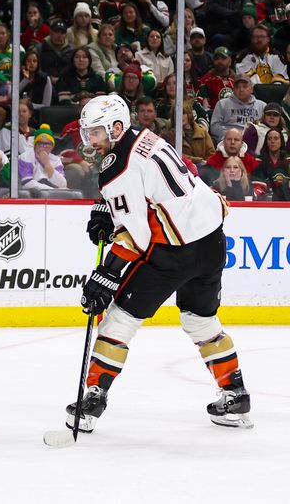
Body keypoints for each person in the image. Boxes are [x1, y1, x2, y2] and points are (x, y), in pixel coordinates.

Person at [72, 93, 253, 434]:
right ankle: (235, 394)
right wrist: (106, 207)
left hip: (175, 251)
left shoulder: (116, 170)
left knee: (119, 318)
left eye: (95, 132)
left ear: (114, 128)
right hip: (212, 241)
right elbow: (154, 184)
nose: (90, 140)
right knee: (200, 321)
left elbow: (138, 236)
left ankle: (93, 399)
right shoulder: (145, 137)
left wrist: (106, 274)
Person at [210, 74, 266, 143]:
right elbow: (215, 127)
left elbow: (266, 127)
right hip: (230, 141)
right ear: (233, 89)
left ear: (251, 89)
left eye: (245, 87)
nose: (241, 90)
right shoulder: (222, 104)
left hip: (254, 142)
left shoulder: (262, 105)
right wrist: (232, 135)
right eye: (237, 87)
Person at [18, 123, 67, 191]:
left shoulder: (56, 160)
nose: (44, 146)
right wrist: (51, 190)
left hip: (52, 194)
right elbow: (27, 183)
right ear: (35, 145)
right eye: (41, 143)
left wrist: (47, 165)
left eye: (47, 143)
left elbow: (62, 184)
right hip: (31, 195)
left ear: (52, 146)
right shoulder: (25, 157)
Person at [251, 127, 290, 199]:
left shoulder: (288, 161)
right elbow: (257, 185)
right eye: (270, 139)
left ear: (281, 141)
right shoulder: (258, 161)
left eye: (276, 138)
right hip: (265, 202)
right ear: (266, 142)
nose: (272, 141)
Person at [198, 47, 236, 111]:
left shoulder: (237, 80)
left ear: (230, 61)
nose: (219, 61)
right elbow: (202, 103)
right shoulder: (207, 80)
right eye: (217, 58)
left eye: (223, 58)